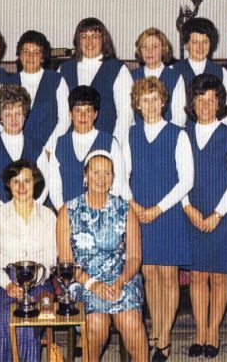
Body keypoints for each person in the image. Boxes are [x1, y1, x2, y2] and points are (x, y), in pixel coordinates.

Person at [122, 76, 194, 361]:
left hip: (168, 213)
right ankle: (155, 329)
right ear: (137, 105)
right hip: (139, 211)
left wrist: (158, 208)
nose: (150, 105)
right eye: (144, 100)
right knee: (149, 273)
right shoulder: (130, 134)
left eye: (155, 99)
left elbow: (185, 179)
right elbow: (122, 174)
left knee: (168, 275)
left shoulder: (178, 134)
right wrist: (133, 205)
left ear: (164, 102)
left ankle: (164, 337)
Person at [57, 150, 147, 362]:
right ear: (85, 176)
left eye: (107, 173)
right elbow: (66, 262)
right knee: (96, 324)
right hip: (83, 281)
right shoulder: (67, 211)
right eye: (95, 172)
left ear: (113, 178)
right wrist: (93, 285)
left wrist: (121, 281)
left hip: (121, 279)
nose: (101, 178)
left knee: (131, 322)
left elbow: (134, 257)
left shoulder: (125, 209)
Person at [182, 74, 227, 358]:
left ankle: (213, 332)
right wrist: (188, 207)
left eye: (211, 99)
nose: (206, 104)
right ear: (192, 102)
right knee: (197, 276)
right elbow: (177, 175)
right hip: (192, 212)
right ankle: (199, 331)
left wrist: (217, 214)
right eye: (200, 98)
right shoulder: (183, 133)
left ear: (220, 103)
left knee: (218, 277)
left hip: (222, 213)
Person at [0, 159, 56, 361]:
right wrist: (8, 284)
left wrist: (31, 282)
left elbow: (50, 258)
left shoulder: (48, 216)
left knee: (27, 324)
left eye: (26, 181)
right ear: (9, 185)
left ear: (35, 183)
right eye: (16, 182)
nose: (21, 187)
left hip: (39, 281)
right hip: (5, 280)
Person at [0, 84, 48, 274]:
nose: (14, 119)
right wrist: (7, 216)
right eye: (8, 114)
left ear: (25, 114)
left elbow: (44, 185)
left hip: (31, 221)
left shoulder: (37, 146)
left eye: (18, 113)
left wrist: (29, 213)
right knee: (0, 280)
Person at [48, 85, 127, 211]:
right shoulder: (60, 143)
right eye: (78, 111)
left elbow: (118, 182)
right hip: (68, 215)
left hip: (103, 213)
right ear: (70, 114)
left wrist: (102, 209)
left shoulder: (110, 142)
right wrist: (64, 212)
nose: (83, 116)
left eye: (88, 111)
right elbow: (54, 185)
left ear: (95, 114)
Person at [58, 17, 133, 144]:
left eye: (95, 36)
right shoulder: (64, 69)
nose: (89, 41)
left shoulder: (118, 69)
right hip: (71, 143)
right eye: (84, 36)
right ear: (78, 41)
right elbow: (61, 115)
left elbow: (126, 114)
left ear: (103, 40)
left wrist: (113, 145)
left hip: (105, 141)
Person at [6, 30, 70, 152]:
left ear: (42, 57)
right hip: (16, 148)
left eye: (36, 52)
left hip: (49, 148)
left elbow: (65, 119)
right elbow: (1, 120)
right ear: (19, 55)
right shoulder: (9, 83)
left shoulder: (56, 80)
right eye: (26, 52)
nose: (30, 57)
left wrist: (49, 148)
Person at [171, 18, 227, 125]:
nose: (200, 47)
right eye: (195, 42)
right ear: (186, 44)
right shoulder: (172, 71)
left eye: (205, 42)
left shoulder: (222, 73)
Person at [131, 27, 187, 127]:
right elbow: (128, 115)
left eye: (155, 47)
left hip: (168, 135)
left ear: (163, 49)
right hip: (138, 135)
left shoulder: (175, 77)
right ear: (140, 51)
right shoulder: (131, 76)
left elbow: (180, 116)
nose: (149, 51)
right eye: (145, 47)